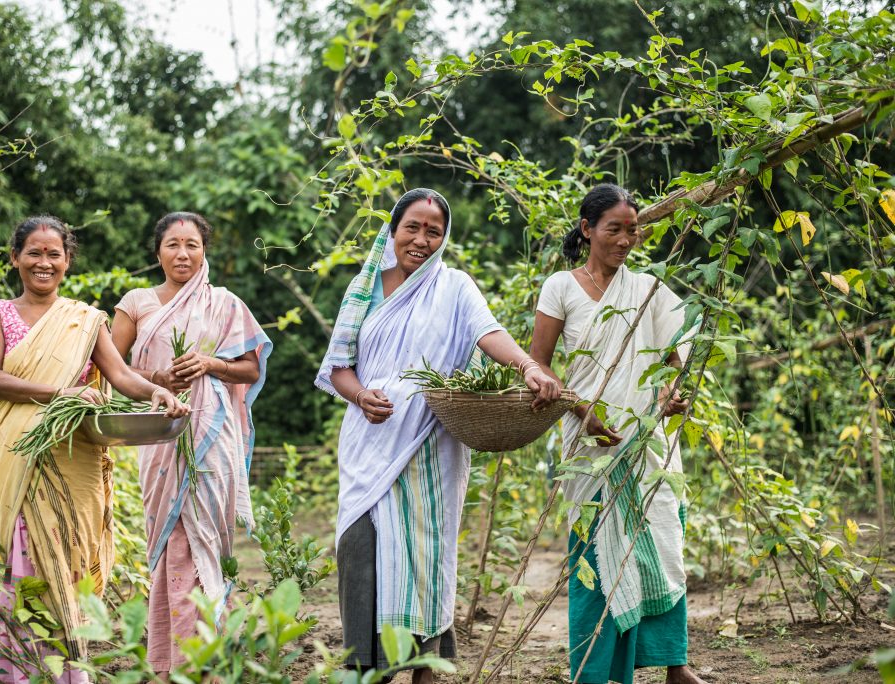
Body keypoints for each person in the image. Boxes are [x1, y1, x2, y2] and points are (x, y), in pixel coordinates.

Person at [316, 188, 560, 683]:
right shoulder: (364, 288)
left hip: (430, 447)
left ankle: (425, 669)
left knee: (424, 558)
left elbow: (487, 332)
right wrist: (361, 395)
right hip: (370, 446)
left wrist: (529, 366)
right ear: (393, 230)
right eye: (413, 227)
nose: (422, 240)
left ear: (444, 238)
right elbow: (339, 367)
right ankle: (369, 668)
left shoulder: (454, 287)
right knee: (362, 550)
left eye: (434, 231)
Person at [0, 216, 189, 683]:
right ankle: (22, 672)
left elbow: (122, 377)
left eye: (54, 254)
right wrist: (62, 394)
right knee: (29, 564)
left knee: (71, 565)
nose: (44, 263)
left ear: (68, 262)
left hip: (76, 460)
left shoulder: (86, 320)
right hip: (24, 459)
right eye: (34, 252)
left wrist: (155, 393)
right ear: (15, 258)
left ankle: (68, 673)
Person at [528, 184, 706, 684]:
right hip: (591, 444)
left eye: (633, 230)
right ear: (587, 230)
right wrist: (581, 409)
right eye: (614, 229)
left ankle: (675, 664)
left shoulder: (649, 288)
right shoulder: (560, 287)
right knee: (595, 557)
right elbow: (539, 366)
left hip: (645, 443)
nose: (626, 240)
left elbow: (677, 359)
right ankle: (593, 671)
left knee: (661, 543)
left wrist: (671, 393)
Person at [110, 211, 272, 678]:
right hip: (159, 436)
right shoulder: (136, 303)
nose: (183, 253)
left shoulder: (223, 302)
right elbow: (110, 366)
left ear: (205, 251)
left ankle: (207, 658)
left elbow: (250, 369)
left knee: (204, 544)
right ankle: (172, 659)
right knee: (169, 543)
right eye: (173, 244)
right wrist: (158, 378)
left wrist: (209, 364)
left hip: (212, 435)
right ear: (157, 251)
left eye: (193, 245)